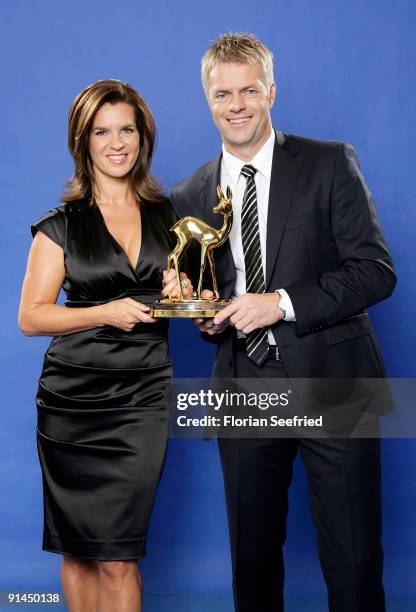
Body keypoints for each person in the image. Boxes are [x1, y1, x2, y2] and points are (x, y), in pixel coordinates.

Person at [169, 33, 396, 612]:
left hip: (336, 379)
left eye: (249, 91)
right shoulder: (190, 193)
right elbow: (206, 299)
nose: (237, 105)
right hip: (245, 385)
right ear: (208, 100)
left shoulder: (328, 161)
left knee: (353, 559)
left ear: (272, 92)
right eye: (223, 95)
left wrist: (283, 301)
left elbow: (375, 272)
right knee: (252, 562)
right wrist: (205, 315)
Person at [18, 79, 191, 612]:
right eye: (102, 131)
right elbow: (31, 317)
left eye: (127, 130)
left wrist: (185, 293)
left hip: (143, 397)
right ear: (83, 141)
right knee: (80, 551)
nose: (117, 142)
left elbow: (185, 295)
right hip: (72, 402)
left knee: (119, 555)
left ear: (143, 138)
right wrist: (104, 312)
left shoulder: (173, 215)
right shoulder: (59, 226)